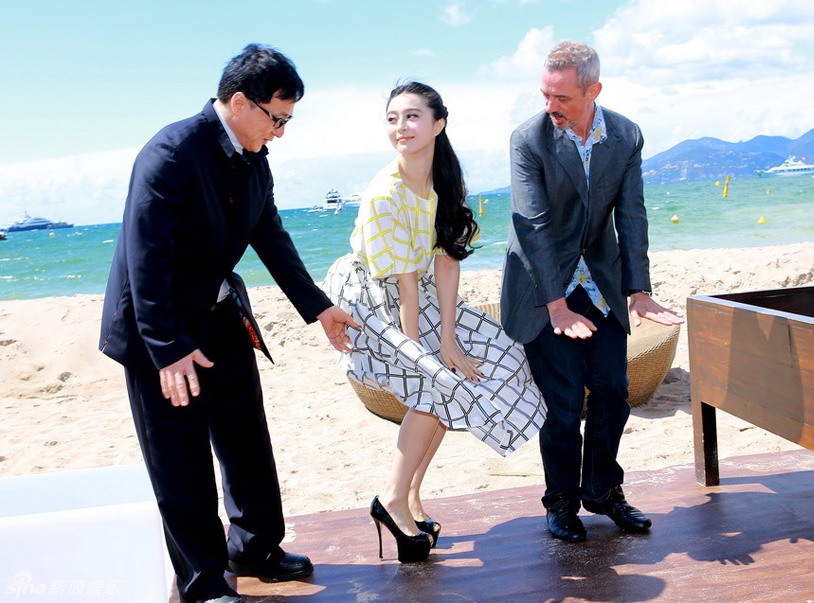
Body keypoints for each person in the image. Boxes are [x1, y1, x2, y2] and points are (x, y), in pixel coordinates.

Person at [99, 44, 357, 603]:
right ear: (239, 102)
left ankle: (256, 548)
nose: (282, 132)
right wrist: (167, 349)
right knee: (181, 461)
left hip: (219, 314)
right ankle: (204, 583)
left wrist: (317, 305)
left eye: (288, 120)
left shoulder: (252, 155)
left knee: (246, 440)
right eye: (278, 118)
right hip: (158, 330)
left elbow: (269, 235)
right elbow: (145, 259)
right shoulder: (170, 153)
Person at [322, 81, 546, 563]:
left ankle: (409, 498)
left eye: (412, 116)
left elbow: (447, 260)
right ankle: (392, 499)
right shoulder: (387, 192)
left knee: (497, 355)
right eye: (392, 118)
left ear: (438, 123)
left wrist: (449, 335)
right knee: (436, 384)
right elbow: (402, 284)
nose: (400, 127)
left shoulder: (444, 180)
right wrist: (430, 350)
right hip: (374, 293)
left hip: (420, 287)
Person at [500, 41, 684, 543]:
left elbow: (632, 212)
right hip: (543, 288)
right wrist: (555, 304)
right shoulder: (527, 139)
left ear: (593, 90)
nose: (550, 107)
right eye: (544, 95)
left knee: (614, 395)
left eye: (561, 97)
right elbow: (533, 224)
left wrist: (639, 290)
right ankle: (561, 502)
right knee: (561, 404)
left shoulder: (625, 135)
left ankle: (603, 491)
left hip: (599, 284)